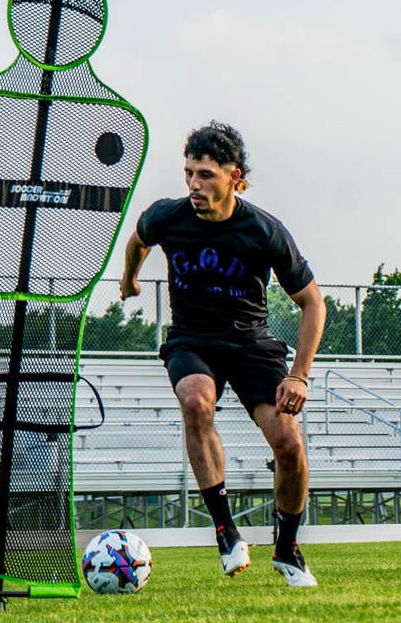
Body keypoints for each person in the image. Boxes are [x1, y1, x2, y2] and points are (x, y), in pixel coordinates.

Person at [119, 121, 324, 587]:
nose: (194, 184)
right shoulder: (167, 215)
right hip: (193, 338)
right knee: (195, 401)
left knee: (289, 445)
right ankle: (225, 531)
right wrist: (129, 277)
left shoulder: (264, 230)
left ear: (236, 177)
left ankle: (288, 548)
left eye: (206, 175)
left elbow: (313, 303)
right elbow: (138, 239)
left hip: (251, 342)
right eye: (189, 173)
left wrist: (299, 375)